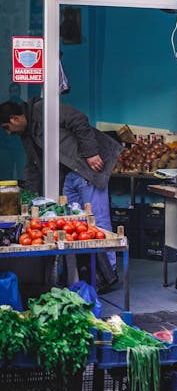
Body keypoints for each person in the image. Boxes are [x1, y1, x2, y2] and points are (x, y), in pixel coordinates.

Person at [0, 98, 123, 291]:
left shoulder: (43, 109)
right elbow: (32, 167)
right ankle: (82, 276)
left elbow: (79, 120)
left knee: (97, 222)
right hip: (67, 177)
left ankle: (109, 274)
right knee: (73, 224)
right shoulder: (27, 134)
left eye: (7, 127)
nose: (9, 132)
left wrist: (90, 153)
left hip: (86, 169)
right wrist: (29, 197)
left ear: (15, 118)